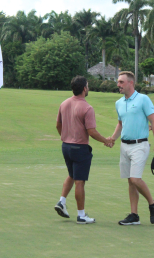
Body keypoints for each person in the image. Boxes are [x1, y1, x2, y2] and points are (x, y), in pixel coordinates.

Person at [54, 76, 112, 224]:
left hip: (65, 146)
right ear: (84, 89)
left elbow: (58, 125)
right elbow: (91, 131)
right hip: (79, 148)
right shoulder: (87, 108)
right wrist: (106, 141)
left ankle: (61, 201)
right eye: (88, 86)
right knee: (80, 181)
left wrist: (66, 136)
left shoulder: (64, 103)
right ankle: (81, 215)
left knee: (72, 175)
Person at [109, 71, 154, 225]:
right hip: (124, 146)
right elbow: (120, 124)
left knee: (135, 179)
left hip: (140, 144)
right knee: (130, 182)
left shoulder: (143, 99)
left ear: (130, 83)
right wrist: (113, 138)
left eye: (121, 82)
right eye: (118, 82)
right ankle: (134, 215)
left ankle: (153, 204)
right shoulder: (119, 103)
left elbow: (153, 122)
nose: (118, 85)